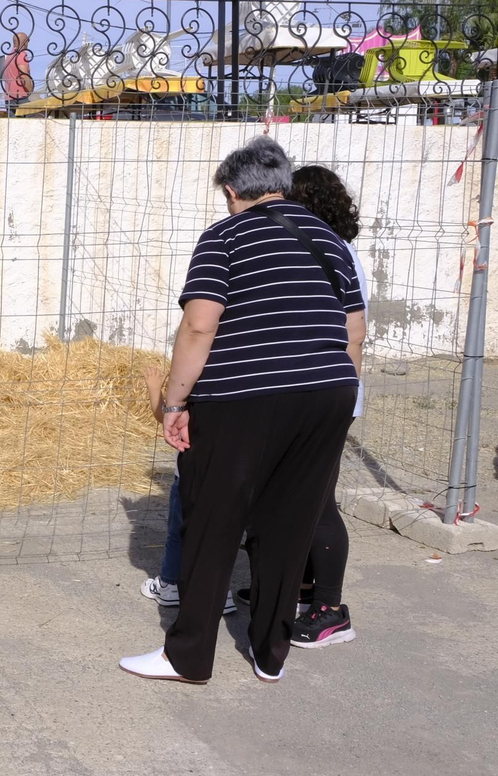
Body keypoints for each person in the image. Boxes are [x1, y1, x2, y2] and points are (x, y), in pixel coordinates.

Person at [121, 136, 365, 684]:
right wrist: (338, 397)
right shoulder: (330, 240)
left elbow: (199, 324)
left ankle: (188, 656)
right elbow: (355, 333)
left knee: (213, 518)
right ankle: (269, 653)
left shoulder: (224, 236)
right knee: (289, 524)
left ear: (232, 191)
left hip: (242, 396)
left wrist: (174, 402)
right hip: (328, 392)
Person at [279, 163, 368, 649]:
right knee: (298, 494)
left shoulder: (335, 253)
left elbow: (354, 334)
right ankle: (303, 588)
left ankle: (332, 611)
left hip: (330, 394)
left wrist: (343, 398)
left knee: (319, 500)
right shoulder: (326, 248)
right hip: (319, 392)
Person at [138, 365, 236, 617]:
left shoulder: (190, 387)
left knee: (179, 533)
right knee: (220, 533)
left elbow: (166, 417)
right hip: (228, 476)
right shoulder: (231, 390)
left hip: (189, 476)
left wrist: (154, 389)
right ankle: (220, 592)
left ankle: (170, 585)